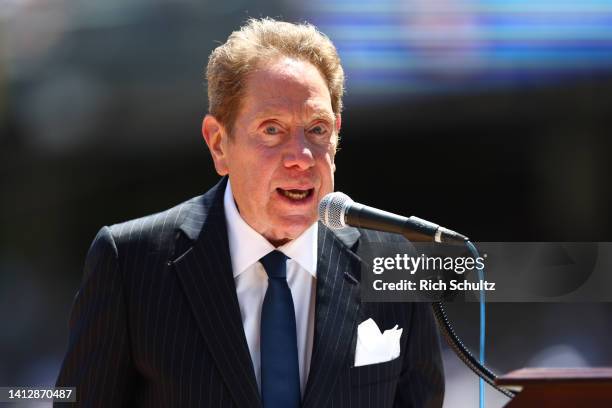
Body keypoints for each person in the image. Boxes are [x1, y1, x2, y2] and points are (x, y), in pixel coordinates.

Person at [55, 18, 444, 408]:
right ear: (219, 144)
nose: (302, 157)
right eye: (272, 130)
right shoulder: (130, 262)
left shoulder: (396, 262)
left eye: (318, 129)